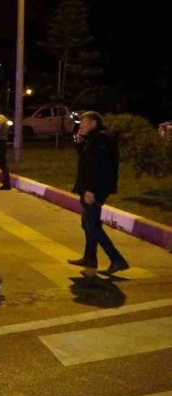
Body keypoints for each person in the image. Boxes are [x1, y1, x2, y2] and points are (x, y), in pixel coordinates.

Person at [67, 111, 129, 275]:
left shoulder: (102, 139)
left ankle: (117, 259)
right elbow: (86, 160)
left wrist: (91, 190)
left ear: (94, 123)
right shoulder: (93, 139)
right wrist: (79, 142)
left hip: (94, 189)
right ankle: (90, 257)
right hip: (88, 187)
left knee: (93, 226)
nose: (81, 125)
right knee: (87, 224)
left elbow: (98, 168)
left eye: (84, 123)